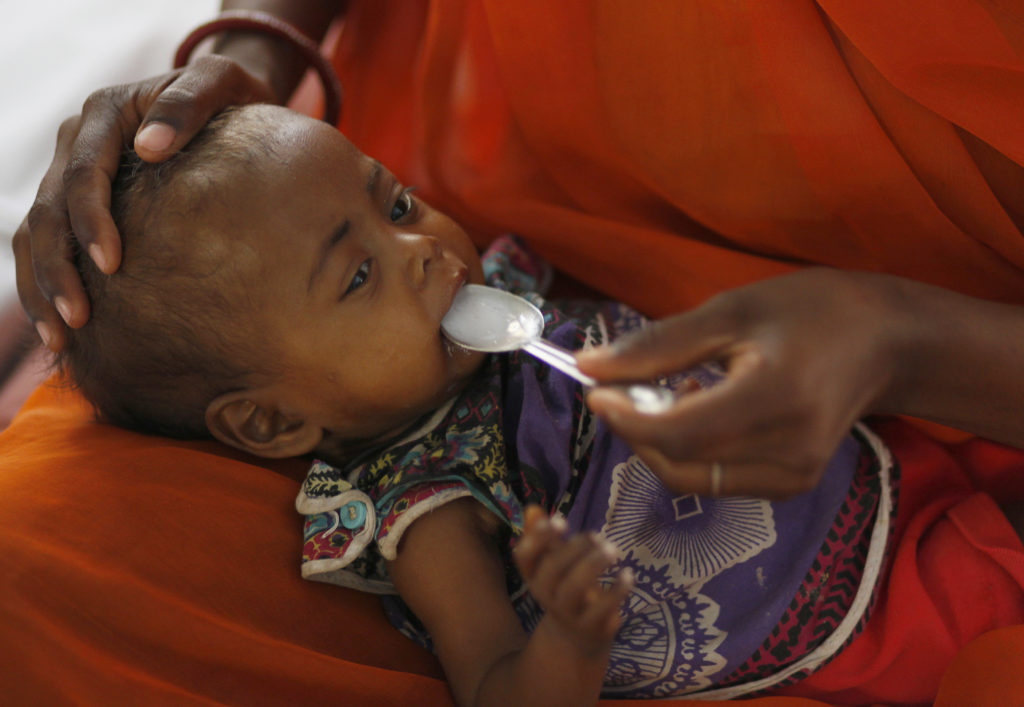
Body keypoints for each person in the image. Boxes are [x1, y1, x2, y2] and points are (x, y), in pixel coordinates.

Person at [11, 1, 1024, 703]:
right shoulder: (429, 506)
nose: (422, 253)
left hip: (899, 463)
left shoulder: (511, 281)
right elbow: (499, 685)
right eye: (358, 275)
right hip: (863, 619)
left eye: (398, 202)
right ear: (273, 421)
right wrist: (570, 636)